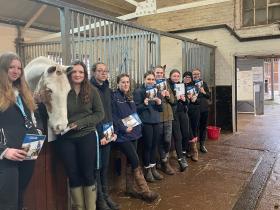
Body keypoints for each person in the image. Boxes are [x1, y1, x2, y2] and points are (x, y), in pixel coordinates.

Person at [55, 60, 104, 210]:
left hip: (86, 136)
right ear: (69, 74)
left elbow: (100, 114)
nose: (77, 74)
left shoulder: (92, 90)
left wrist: (80, 123)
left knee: (88, 174)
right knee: (73, 174)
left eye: (81, 72)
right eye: (74, 72)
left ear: (85, 74)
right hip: (65, 139)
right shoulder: (61, 91)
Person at [0, 52, 42, 210]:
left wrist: (38, 132)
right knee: (7, 202)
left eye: (19, 68)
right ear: (3, 69)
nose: (16, 71)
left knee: (19, 197)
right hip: (6, 158)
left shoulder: (24, 93)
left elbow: (36, 116)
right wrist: (3, 151)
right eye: (11, 67)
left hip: (27, 154)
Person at [112, 73, 159, 203]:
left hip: (134, 133)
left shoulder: (130, 96)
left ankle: (130, 188)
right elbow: (113, 116)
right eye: (123, 82)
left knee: (129, 162)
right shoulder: (114, 97)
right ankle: (145, 191)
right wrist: (122, 127)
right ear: (118, 84)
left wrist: (137, 126)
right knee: (135, 159)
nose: (126, 84)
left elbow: (134, 114)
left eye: (127, 82)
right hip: (122, 135)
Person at [90, 62, 120, 210]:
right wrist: (100, 133)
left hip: (108, 133)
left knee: (105, 166)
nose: (103, 73)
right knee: (97, 167)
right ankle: (99, 200)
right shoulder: (90, 89)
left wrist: (113, 131)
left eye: (105, 71)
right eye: (100, 71)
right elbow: (92, 114)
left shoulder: (107, 89)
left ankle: (106, 195)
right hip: (96, 135)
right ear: (93, 72)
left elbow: (109, 112)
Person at [133, 71, 163, 182]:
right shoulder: (138, 91)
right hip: (146, 122)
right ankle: (147, 170)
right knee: (148, 145)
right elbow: (135, 109)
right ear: (144, 79)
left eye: (152, 79)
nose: (151, 81)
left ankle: (153, 167)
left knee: (154, 145)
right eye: (148, 79)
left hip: (156, 121)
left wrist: (159, 103)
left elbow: (161, 110)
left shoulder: (157, 91)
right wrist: (144, 104)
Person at [153, 65, 175, 175]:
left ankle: (162, 160)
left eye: (161, 73)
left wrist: (167, 95)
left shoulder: (166, 84)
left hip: (168, 116)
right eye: (157, 72)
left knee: (167, 140)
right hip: (157, 116)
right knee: (159, 140)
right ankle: (164, 162)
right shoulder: (151, 84)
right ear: (154, 73)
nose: (159, 74)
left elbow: (172, 100)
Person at [167, 69, 188, 171]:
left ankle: (183, 153)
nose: (176, 78)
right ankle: (181, 159)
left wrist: (184, 100)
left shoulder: (181, 85)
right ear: (170, 76)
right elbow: (170, 101)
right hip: (173, 114)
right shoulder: (167, 86)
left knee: (185, 134)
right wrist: (175, 98)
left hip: (182, 112)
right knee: (178, 136)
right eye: (174, 76)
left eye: (177, 76)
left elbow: (186, 101)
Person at [192, 68, 210, 153]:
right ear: (192, 75)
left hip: (204, 109)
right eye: (194, 74)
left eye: (198, 74)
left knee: (203, 127)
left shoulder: (204, 84)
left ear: (200, 75)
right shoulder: (190, 84)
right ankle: (193, 146)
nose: (196, 75)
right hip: (195, 109)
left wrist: (203, 92)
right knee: (195, 127)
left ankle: (202, 145)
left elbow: (209, 96)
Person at [183, 71, 199, 161]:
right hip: (185, 111)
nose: (187, 78)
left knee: (194, 129)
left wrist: (195, 99)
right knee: (188, 130)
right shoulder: (180, 86)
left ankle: (194, 151)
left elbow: (199, 100)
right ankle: (190, 150)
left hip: (194, 110)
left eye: (189, 77)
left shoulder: (195, 86)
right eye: (185, 77)